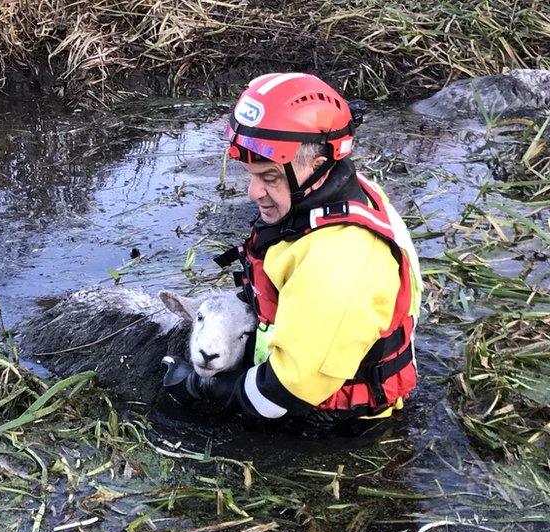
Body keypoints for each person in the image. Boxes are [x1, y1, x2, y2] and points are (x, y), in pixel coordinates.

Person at [162, 73, 422, 429]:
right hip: (313, 365)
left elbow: (283, 394)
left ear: (316, 167)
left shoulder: (339, 259)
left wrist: (203, 387)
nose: (253, 192)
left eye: (270, 178)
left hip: (333, 423)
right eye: (250, 175)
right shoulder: (342, 190)